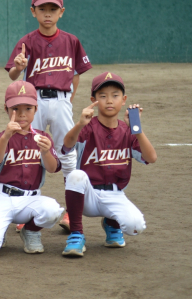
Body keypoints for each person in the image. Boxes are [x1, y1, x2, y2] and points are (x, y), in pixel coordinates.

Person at [5, 0, 92, 232]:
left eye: (53, 9)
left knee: (68, 153)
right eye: (42, 8)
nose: (47, 14)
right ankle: (27, 212)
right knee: (30, 151)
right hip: (34, 101)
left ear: (61, 12)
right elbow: (13, 75)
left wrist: (69, 100)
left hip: (62, 100)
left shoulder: (71, 41)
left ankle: (71, 213)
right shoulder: (27, 41)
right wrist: (17, 67)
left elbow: (75, 75)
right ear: (33, 11)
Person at [61, 72, 157, 257]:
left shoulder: (128, 131)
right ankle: (76, 234)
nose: (109, 100)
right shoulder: (88, 127)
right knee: (75, 175)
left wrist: (136, 129)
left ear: (124, 100)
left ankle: (111, 224)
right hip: (87, 195)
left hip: (114, 194)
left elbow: (151, 158)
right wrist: (80, 124)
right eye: (103, 96)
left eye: (115, 95)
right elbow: (66, 145)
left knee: (136, 226)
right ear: (93, 100)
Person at [0, 81, 63, 254]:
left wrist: (45, 152)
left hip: (31, 199)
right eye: (16, 109)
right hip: (2, 196)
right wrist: (6, 137)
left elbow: (53, 169)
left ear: (36, 109)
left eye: (27, 108)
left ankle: (30, 231)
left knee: (52, 210)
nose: (22, 114)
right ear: (6, 109)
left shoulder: (43, 137)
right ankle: (0, 225)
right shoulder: (2, 136)